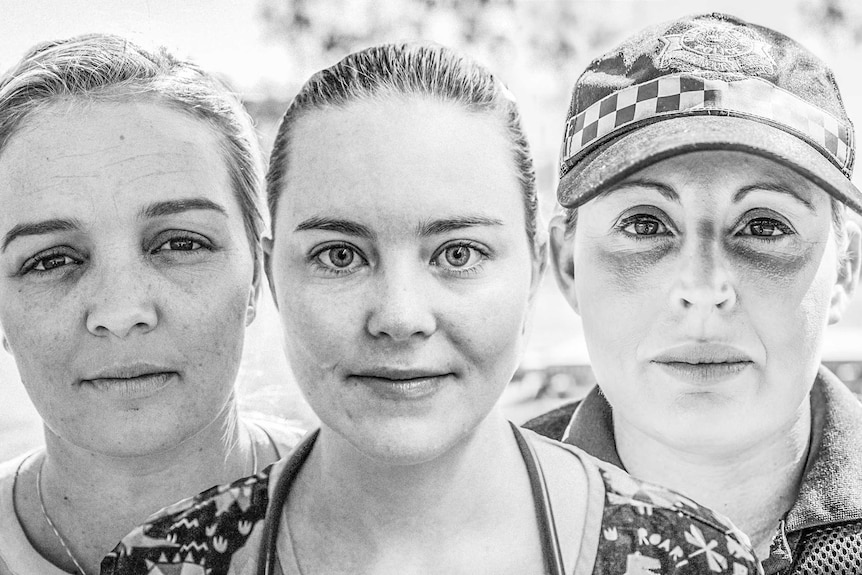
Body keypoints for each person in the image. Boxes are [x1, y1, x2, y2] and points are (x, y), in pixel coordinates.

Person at [103, 43, 762, 575]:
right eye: (339, 255)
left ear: (534, 270)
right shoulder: (160, 562)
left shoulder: (695, 559)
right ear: (272, 275)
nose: (399, 314)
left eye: (457, 253)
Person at [522, 12, 862, 573]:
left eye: (763, 226)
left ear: (846, 269)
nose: (703, 289)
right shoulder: (457, 523)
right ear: (566, 265)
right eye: (646, 224)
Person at [0, 34, 301, 575]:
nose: (121, 310)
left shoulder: (394, 523)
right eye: (50, 260)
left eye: (180, 243)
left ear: (257, 274)